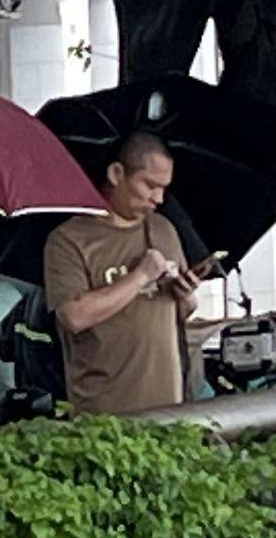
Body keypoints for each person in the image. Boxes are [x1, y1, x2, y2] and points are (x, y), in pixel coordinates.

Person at [43, 132, 196, 415]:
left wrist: (185, 295)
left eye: (164, 188)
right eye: (150, 185)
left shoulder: (163, 229)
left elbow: (180, 313)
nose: (158, 198)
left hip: (169, 406)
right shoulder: (69, 239)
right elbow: (74, 316)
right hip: (104, 413)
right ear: (116, 173)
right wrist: (140, 276)